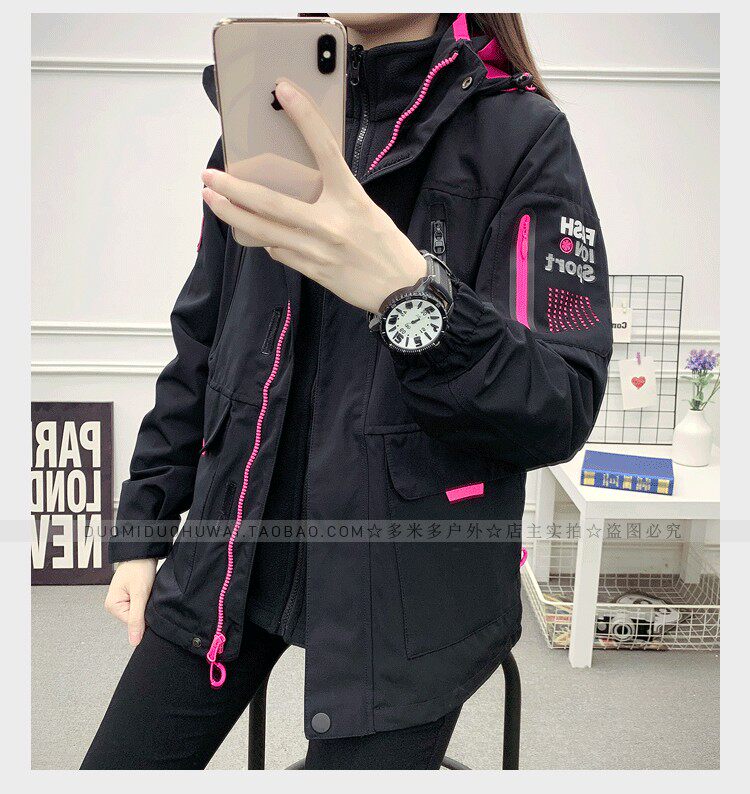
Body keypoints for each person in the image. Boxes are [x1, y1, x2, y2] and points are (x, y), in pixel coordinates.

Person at [82, 12, 612, 770]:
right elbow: (204, 340)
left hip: (408, 590)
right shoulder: (256, 125)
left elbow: (559, 400)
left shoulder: (521, 137)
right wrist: (144, 526)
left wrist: (412, 295)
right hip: (232, 553)